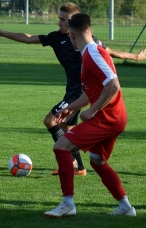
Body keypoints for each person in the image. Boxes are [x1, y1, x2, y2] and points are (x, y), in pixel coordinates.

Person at [0, 3, 146, 176]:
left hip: (81, 92)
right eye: (59, 19)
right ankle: (79, 167)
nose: (59, 23)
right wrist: (3, 33)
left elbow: (110, 52)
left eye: (63, 20)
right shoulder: (56, 38)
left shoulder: (89, 41)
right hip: (70, 90)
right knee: (65, 127)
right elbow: (29, 38)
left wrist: (135, 57)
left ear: (73, 21)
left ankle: (70, 161)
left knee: (51, 120)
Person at [44, 13, 135, 217]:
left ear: (72, 36)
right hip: (116, 117)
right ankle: (126, 207)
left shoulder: (92, 54)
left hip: (107, 118)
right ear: (91, 31)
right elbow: (90, 92)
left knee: (61, 147)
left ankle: (68, 204)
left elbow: (113, 86)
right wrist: (71, 108)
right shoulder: (91, 52)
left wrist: (93, 110)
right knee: (97, 161)